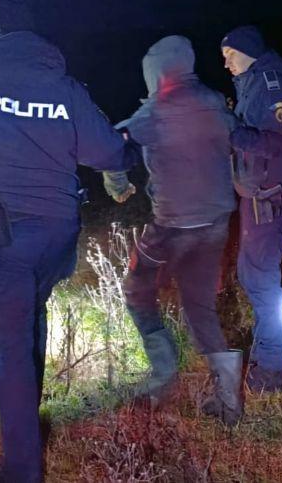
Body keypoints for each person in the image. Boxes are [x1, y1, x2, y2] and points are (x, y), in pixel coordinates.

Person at [0, 0, 138, 483]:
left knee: (12, 350)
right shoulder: (65, 87)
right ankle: (26, 430)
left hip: (2, 233)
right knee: (30, 317)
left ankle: (22, 469)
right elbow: (108, 152)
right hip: (57, 232)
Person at [103, 35, 243, 425]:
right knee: (199, 305)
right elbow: (238, 142)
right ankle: (229, 402)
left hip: (172, 227)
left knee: (137, 290)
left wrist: (117, 184)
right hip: (216, 223)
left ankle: (163, 375)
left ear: (156, 71)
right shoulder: (215, 103)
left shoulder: (155, 112)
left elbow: (111, 145)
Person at [220, 25, 282, 393]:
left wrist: (231, 132)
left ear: (249, 51)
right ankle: (265, 355)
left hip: (269, 198)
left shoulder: (274, 87)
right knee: (253, 275)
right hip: (255, 196)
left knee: (262, 281)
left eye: (230, 55)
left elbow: (280, 144)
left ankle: (270, 370)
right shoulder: (250, 85)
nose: (226, 63)